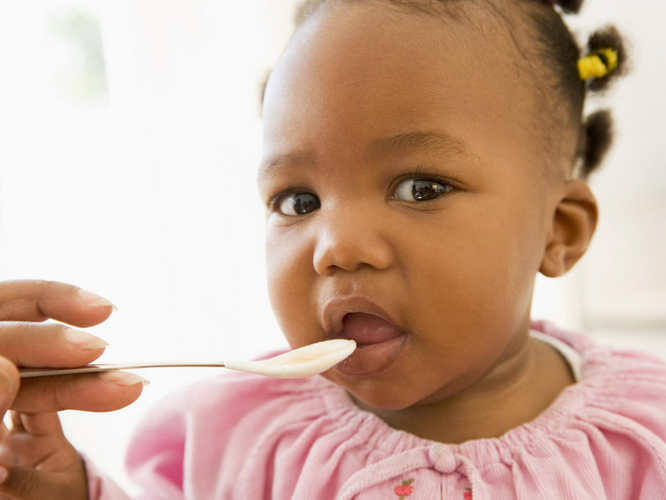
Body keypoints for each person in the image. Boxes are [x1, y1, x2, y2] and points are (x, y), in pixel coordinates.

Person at [1, 0, 665, 498]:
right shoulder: (235, 440)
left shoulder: (645, 439)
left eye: (420, 186)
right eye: (298, 202)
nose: (336, 248)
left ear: (560, 231)